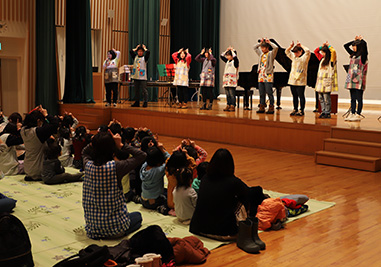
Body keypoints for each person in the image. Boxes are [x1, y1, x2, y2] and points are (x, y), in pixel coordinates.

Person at [190, 148, 266, 253]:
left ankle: (251, 231)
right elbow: (248, 193)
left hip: (198, 228)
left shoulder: (205, 178)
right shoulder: (233, 182)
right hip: (224, 233)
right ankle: (248, 230)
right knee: (249, 195)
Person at [82, 130, 146, 239]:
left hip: (93, 228)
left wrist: (95, 142)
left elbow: (84, 152)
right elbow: (142, 155)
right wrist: (121, 145)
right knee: (138, 216)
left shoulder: (87, 165)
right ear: (112, 149)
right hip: (115, 230)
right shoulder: (116, 167)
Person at [21, 106, 60, 181]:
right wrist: (46, 115)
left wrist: (35, 111)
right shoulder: (37, 132)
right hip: (38, 169)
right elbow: (55, 124)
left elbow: (29, 118)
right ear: (38, 121)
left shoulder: (23, 130)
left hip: (28, 168)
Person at [139, 143, 171, 214]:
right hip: (154, 202)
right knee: (170, 198)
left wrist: (151, 149)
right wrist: (162, 149)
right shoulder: (158, 171)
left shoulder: (144, 167)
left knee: (165, 191)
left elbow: (149, 157)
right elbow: (170, 160)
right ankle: (162, 208)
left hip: (143, 199)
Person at [343, 35, 368, 121]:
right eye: (353, 46)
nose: (353, 48)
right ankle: (352, 113)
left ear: (359, 46)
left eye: (355, 46)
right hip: (350, 79)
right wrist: (354, 40)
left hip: (358, 80)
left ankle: (358, 114)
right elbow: (345, 46)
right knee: (352, 98)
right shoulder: (353, 55)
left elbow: (365, 49)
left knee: (359, 98)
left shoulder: (363, 57)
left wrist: (362, 41)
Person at [285, 41, 311, 116]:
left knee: (301, 95)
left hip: (300, 81)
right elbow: (286, 52)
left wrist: (301, 45)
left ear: (301, 51)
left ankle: (301, 110)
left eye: (297, 52)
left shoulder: (304, 58)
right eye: (294, 52)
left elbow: (308, 51)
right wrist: (290, 46)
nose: (295, 54)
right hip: (292, 80)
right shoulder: (293, 58)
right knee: (294, 96)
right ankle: (295, 109)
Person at [253, 38, 279, 114]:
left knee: (269, 92)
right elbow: (254, 47)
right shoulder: (261, 54)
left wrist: (269, 42)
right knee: (261, 92)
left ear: (267, 48)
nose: (262, 49)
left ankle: (271, 106)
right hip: (261, 75)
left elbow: (276, 48)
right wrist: (260, 43)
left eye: (263, 48)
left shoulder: (271, 54)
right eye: (261, 48)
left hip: (268, 75)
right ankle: (262, 106)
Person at [314, 42, 338, 119]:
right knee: (320, 98)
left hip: (326, 82)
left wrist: (329, 46)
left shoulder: (331, 60)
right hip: (320, 82)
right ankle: (323, 111)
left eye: (323, 52)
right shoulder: (322, 59)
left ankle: (328, 112)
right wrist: (321, 47)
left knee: (326, 98)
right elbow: (315, 51)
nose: (322, 54)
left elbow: (333, 51)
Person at [221, 47, 239, 111]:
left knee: (232, 94)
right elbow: (221, 56)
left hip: (232, 81)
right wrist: (227, 50)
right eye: (227, 55)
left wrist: (232, 51)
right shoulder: (227, 61)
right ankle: (228, 104)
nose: (227, 57)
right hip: (226, 80)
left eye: (229, 55)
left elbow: (235, 58)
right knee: (227, 94)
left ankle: (233, 105)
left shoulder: (235, 62)